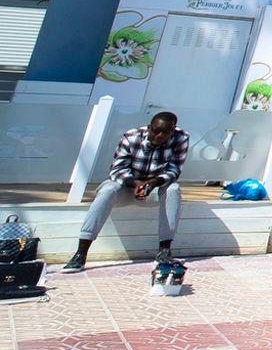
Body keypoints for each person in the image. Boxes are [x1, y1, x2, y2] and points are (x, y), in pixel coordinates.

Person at [62, 111, 187, 271]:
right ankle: (81, 253)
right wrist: (136, 183)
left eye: (166, 132)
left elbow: (174, 170)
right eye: (156, 130)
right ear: (149, 128)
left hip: (154, 188)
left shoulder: (181, 138)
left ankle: (164, 251)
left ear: (173, 130)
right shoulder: (132, 136)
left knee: (173, 189)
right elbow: (117, 170)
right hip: (127, 187)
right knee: (108, 188)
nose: (159, 135)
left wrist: (153, 183)